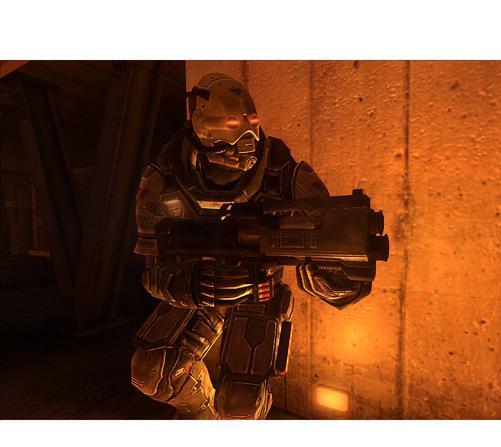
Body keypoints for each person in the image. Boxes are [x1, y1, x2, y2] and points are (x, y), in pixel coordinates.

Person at [130, 73, 372, 419]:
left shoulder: (280, 170)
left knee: (240, 405)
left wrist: (336, 273)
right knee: (151, 371)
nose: (246, 144)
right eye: (232, 129)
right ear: (204, 130)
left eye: (251, 125)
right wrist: (191, 284)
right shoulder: (165, 174)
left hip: (258, 287)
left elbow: (331, 244)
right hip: (198, 285)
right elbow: (153, 271)